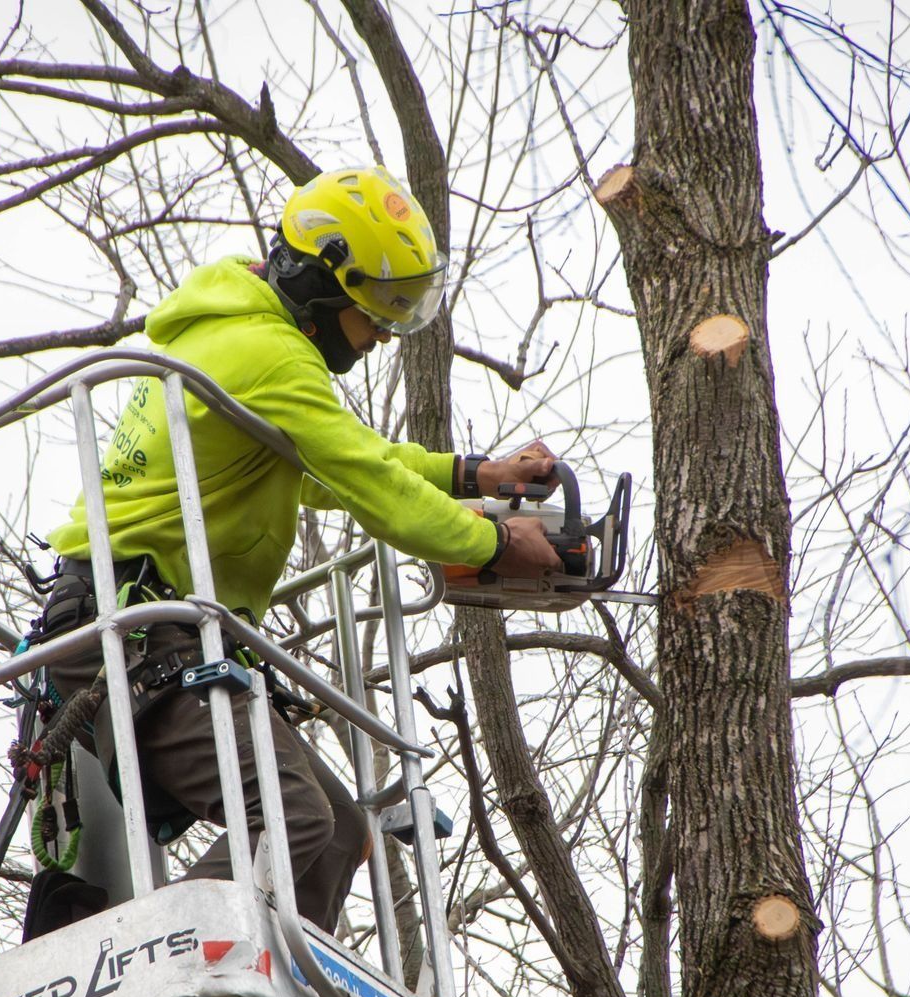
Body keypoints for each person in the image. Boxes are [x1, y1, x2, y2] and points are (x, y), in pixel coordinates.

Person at [38, 166, 561, 932]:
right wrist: (490, 540)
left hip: (152, 626)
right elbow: (367, 483)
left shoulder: (240, 335)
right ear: (322, 287)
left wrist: (473, 474)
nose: (383, 336)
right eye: (376, 314)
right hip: (128, 629)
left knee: (337, 834)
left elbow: (336, 461)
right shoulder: (270, 355)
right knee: (285, 817)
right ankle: (162, 958)